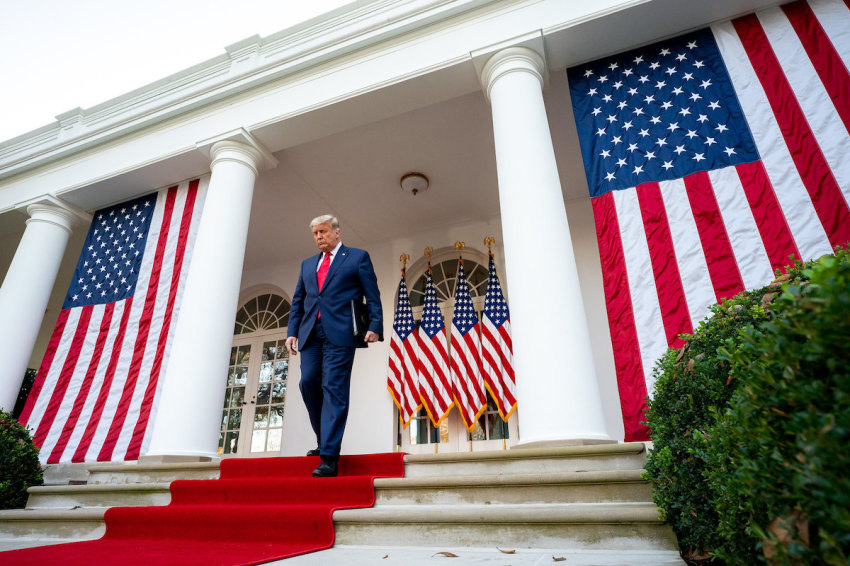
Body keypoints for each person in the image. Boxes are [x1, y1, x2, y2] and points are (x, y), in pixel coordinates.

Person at [285, 215, 382, 477]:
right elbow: (298, 301)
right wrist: (292, 332)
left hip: (340, 333)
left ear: (337, 232)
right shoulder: (308, 264)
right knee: (308, 382)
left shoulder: (357, 257)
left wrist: (375, 324)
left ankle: (329, 456)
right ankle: (323, 438)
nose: (319, 237)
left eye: (324, 231)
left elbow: (372, 294)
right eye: (315, 233)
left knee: (333, 387)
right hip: (310, 333)